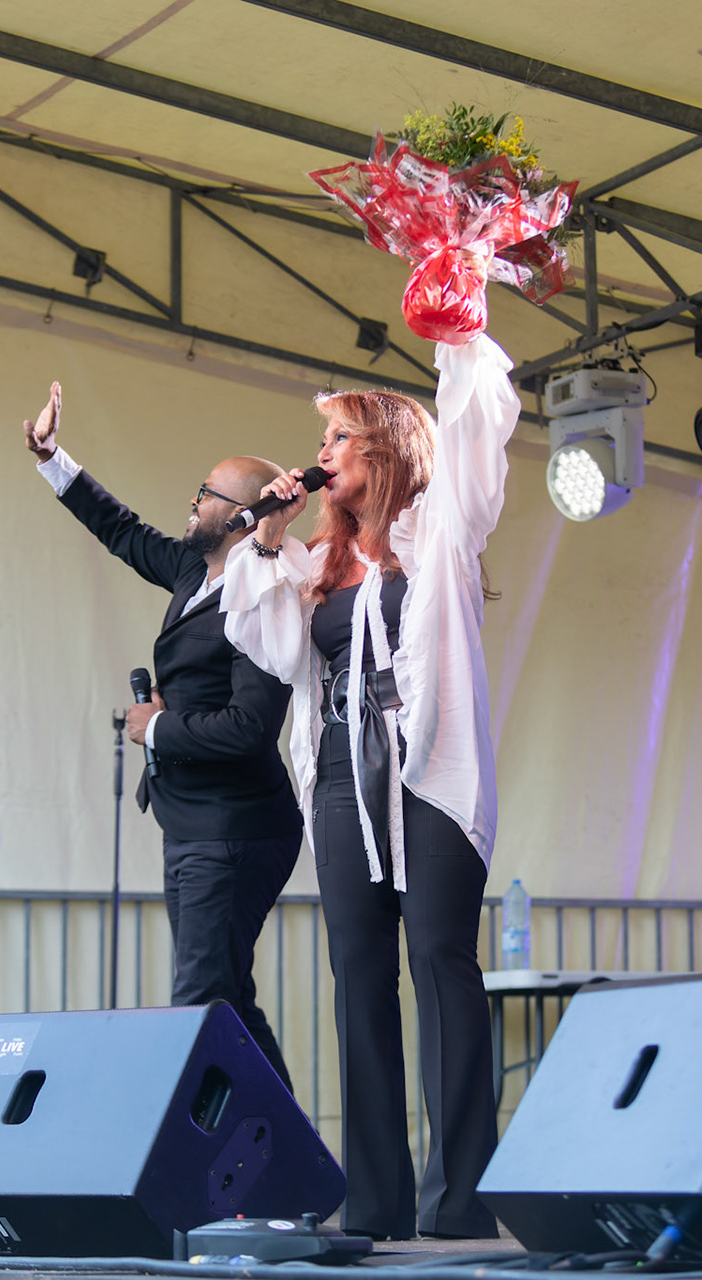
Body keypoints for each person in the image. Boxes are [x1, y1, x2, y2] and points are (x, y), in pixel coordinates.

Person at [216, 336, 515, 1239]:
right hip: (344, 777)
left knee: (438, 958)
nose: (325, 454)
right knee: (358, 975)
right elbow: (261, 640)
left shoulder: (441, 534)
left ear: (385, 448)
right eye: (327, 440)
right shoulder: (317, 569)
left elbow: (472, 435)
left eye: (342, 438)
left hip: (429, 769)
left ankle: (459, 1199)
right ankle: (375, 1199)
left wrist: (460, 330)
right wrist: (266, 534)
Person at [22, 381, 303, 1090]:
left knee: (201, 1005)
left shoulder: (266, 593)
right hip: (192, 824)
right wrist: (54, 457)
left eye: (206, 493)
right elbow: (120, 530)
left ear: (242, 516)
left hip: (237, 828)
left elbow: (250, 728)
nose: (193, 500)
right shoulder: (190, 569)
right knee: (225, 1000)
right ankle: (292, 1163)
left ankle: (226, 1173)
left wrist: (161, 729)